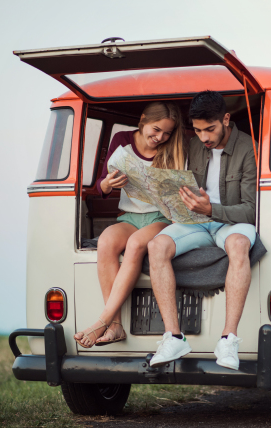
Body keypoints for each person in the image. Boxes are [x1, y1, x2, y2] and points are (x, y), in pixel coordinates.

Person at [147, 90, 257, 370]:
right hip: (196, 221)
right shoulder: (194, 144)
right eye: (198, 130)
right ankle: (173, 337)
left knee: (238, 245)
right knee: (156, 246)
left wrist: (211, 210)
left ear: (226, 119)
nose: (204, 137)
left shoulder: (249, 148)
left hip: (232, 222)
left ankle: (228, 340)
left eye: (210, 129)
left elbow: (252, 209)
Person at [74, 102, 186, 348]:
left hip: (160, 218)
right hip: (129, 216)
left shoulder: (172, 148)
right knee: (105, 242)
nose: (160, 137)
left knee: (135, 244)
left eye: (167, 133)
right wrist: (107, 185)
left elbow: (179, 193)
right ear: (143, 119)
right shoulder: (122, 140)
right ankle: (115, 325)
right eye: (156, 130)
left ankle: (102, 321)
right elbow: (101, 184)